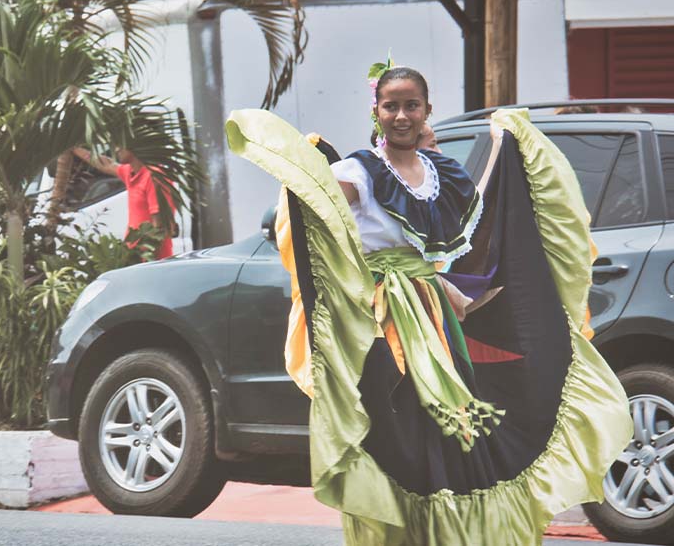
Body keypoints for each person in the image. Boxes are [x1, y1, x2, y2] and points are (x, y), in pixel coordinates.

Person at [225, 64, 632, 545]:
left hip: (436, 315)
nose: (401, 115)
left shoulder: (442, 173)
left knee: (454, 429)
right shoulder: (361, 170)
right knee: (400, 428)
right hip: (384, 319)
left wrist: (504, 147)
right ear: (375, 112)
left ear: (426, 110)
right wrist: (303, 170)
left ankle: (451, 534)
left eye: (410, 105)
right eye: (391, 105)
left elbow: (478, 216)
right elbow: (330, 203)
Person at [72, 146, 177, 259]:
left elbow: (160, 228)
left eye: (121, 145)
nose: (116, 149)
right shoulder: (130, 172)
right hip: (136, 259)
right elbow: (106, 164)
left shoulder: (154, 177)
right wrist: (73, 148)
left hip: (152, 262)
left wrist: (136, 257)